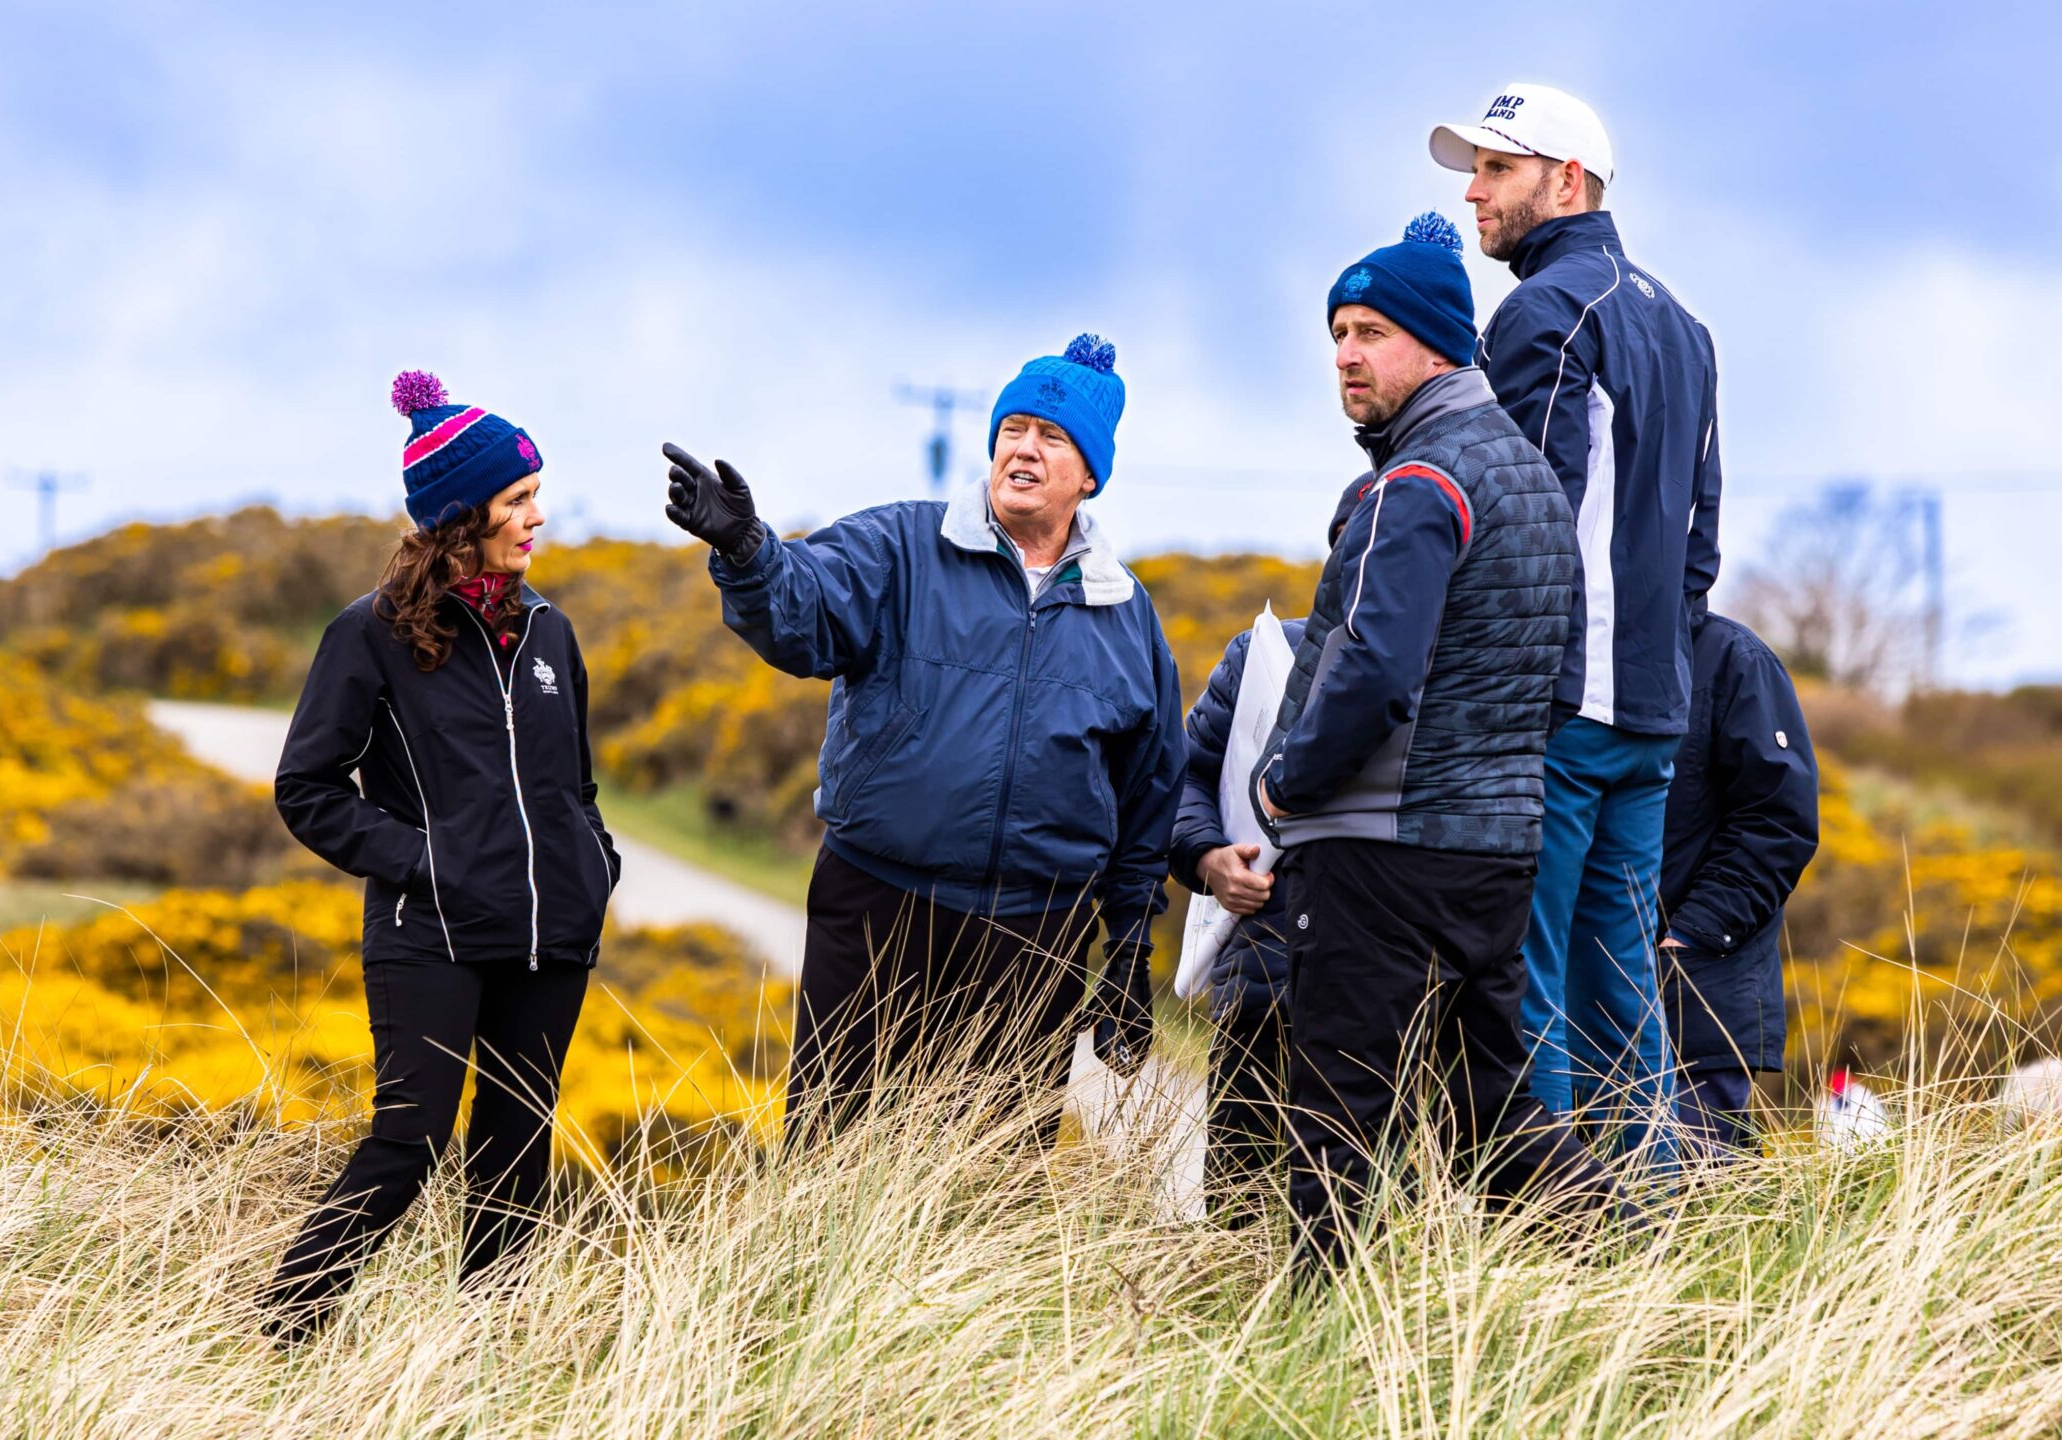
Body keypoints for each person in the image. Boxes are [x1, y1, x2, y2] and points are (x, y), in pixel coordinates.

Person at [660, 335, 1183, 1140]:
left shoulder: (1126, 614)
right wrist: (749, 553)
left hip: (1031, 938)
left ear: (1089, 474)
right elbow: (806, 613)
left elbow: (1147, 793)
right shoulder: (903, 546)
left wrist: (1126, 951)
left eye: (1052, 437)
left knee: (992, 1178)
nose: (1025, 449)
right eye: (1013, 429)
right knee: (830, 1152)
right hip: (879, 908)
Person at [1250, 213, 1629, 1270]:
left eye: (1369, 331)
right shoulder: (1530, 483)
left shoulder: (1415, 486)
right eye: (1336, 333)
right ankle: (1632, 1262)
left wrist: (1284, 786)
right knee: (1491, 1111)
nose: (1345, 356)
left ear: (1436, 344)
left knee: (1337, 1107)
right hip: (1496, 846)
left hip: (1378, 845)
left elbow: (1370, 668)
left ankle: (1312, 1326)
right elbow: (1562, 668)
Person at [260, 371, 619, 1341]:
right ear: (463, 516)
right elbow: (307, 790)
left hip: (548, 938)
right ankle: (290, 1323)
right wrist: (427, 861)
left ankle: (481, 1357)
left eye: (535, 493)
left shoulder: (552, 632)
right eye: (518, 499)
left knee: (516, 1153)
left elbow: (575, 788)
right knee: (409, 1142)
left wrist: (594, 865)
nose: (537, 515)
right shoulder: (366, 637)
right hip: (431, 933)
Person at [1432, 84, 1725, 1164]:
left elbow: (1518, 524)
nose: (1472, 191)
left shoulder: (1543, 314)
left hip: (1554, 708)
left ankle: (1550, 1238)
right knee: (1623, 981)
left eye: (1496, 170)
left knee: (1529, 974)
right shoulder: (1685, 328)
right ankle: (1644, 1220)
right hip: (1647, 712)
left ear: (1567, 182)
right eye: (1473, 169)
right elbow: (1700, 550)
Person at [1660, 608, 1817, 1153]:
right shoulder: (1577, 653)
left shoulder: (1733, 657)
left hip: (1701, 998)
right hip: (1588, 1001)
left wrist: (1694, 933)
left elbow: (1779, 823)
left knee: (1689, 1207)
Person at [1171, 611, 1307, 1223]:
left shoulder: (1465, 663)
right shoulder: (1265, 652)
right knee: (1239, 1218)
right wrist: (1207, 855)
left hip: (1398, 1000)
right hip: (1260, 990)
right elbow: (1185, 775)